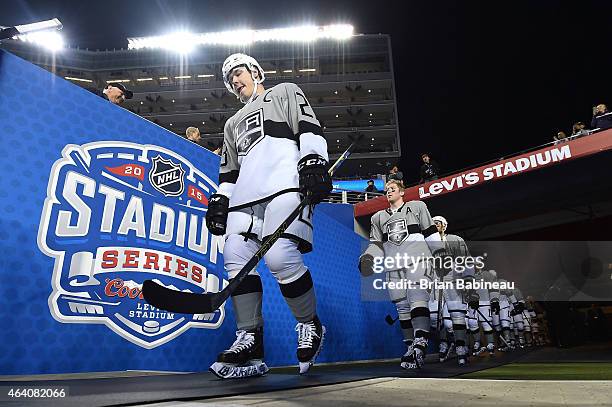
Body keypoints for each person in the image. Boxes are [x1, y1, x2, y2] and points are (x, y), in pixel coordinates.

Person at [205, 53, 331, 378]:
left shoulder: (286, 91)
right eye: (230, 78)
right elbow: (229, 173)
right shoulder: (231, 124)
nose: (235, 80)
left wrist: (314, 160)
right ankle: (251, 341)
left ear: (256, 71)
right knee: (234, 255)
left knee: (279, 256)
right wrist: (220, 200)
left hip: (284, 183)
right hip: (246, 196)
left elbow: (308, 127)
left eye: (238, 72)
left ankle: (309, 325)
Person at [359, 180, 444, 370]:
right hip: (394, 266)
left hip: (418, 259)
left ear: (402, 192)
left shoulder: (417, 207)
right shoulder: (378, 218)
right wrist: (367, 258)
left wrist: (440, 253)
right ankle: (410, 347)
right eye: (387, 190)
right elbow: (376, 245)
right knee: (402, 307)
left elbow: (430, 232)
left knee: (417, 298)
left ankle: (421, 340)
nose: (388, 191)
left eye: (392, 189)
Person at [430, 215, 479, 366]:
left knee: (456, 316)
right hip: (435, 281)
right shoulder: (425, 242)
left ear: (444, 226)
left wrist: (469, 281)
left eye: (438, 223)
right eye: (433, 224)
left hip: (453, 279)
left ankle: (460, 348)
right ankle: (446, 342)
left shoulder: (456, 239)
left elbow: (466, 261)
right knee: (434, 319)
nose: (435, 225)